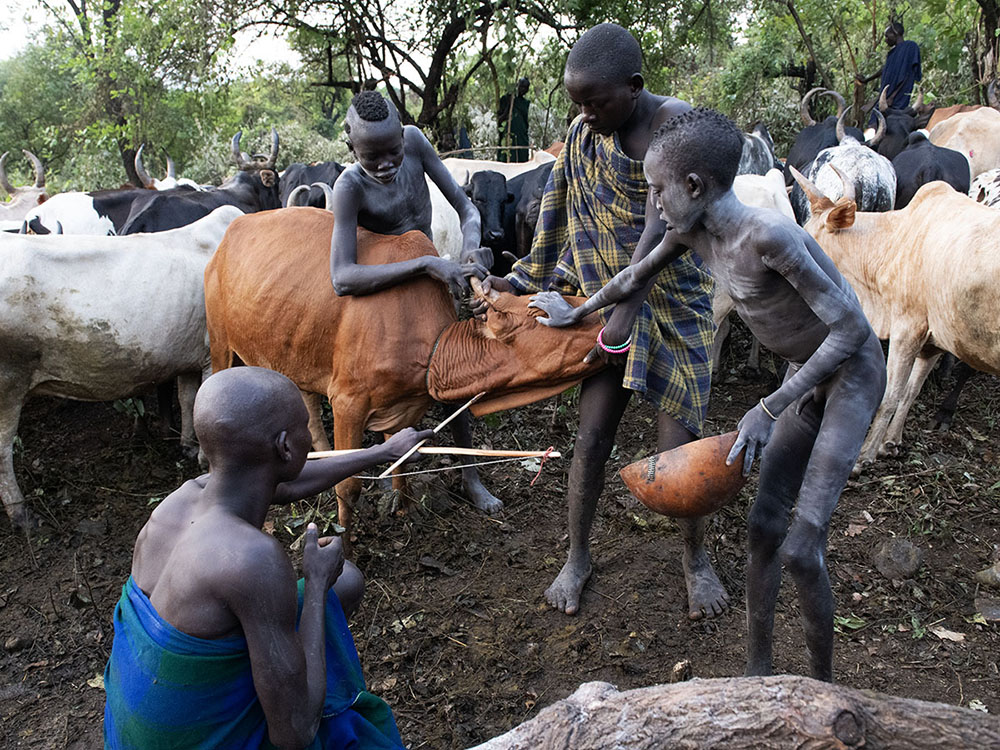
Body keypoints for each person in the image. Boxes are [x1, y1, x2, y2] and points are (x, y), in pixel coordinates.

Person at [529, 108, 886, 681]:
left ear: (693, 186)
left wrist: (768, 406)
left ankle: (824, 690)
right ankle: (757, 676)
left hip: (852, 375)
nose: (653, 202)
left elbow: (849, 331)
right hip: (805, 374)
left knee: (799, 546)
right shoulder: (689, 230)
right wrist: (580, 309)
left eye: (656, 190)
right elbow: (633, 276)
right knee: (763, 528)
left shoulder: (769, 235)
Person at [477, 23, 726, 620]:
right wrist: (523, 277)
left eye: (596, 102)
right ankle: (578, 555)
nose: (585, 115)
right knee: (590, 439)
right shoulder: (584, 134)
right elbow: (560, 209)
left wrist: (626, 307)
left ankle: (694, 559)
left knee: (681, 449)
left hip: (673, 301)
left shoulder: (677, 129)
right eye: (577, 104)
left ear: (635, 88)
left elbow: (662, 228)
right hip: (605, 297)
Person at [103, 367, 433, 749]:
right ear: (285, 447)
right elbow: (295, 734)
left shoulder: (180, 502)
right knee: (332, 589)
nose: (311, 435)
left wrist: (380, 453)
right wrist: (314, 585)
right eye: (304, 426)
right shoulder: (250, 560)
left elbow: (285, 482)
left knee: (347, 583)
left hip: (137, 728)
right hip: (197, 740)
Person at [329, 90, 501, 514]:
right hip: (383, 299)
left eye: (394, 152)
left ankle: (469, 476)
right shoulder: (348, 187)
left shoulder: (417, 143)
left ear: (404, 137)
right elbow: (342, 276)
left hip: (432, 281)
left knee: (453, 376)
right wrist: (425, 263)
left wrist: (471, 252)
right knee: (390, 385)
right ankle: (395, 469)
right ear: (352, 147)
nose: (388, 165)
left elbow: (467, 209)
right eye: (374, 157)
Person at [856, 20, 922, 111]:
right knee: (874, 120)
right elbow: (885, 70)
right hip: (885, 97)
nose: (885, 39)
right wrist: (866, 80)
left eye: (887, 35)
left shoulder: (910, 47)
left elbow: (907, 74)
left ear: (896, 33)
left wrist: (892, 97)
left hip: (897, 98)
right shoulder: (892, 53)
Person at [497, 77, 531, 162]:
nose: (523, 89)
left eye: (526, 88)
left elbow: (525, 122)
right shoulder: (505, 99)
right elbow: (500, 119)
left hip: (521, 136)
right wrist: (509, 104)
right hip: (508, 134)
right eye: (522, 86)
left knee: (522, 159)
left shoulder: (525, 103)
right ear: (517, 86)